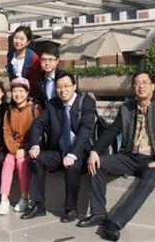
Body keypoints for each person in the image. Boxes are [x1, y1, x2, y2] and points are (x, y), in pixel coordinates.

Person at [82, 72, 155, 241]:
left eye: (145, 82)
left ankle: (115, 223)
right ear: (133, 87)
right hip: (129, 157)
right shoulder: (126, 108)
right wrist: (94, 151)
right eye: (137, 83)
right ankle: (98, 213)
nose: (141, 86)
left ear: (153, 86)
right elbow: (112, 131)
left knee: (149, 179)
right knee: (97, 163)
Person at [22, 72, 96, 223]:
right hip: (59, 151)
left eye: (66, 86)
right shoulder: (53, 104)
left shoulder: (86, 102)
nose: (63, 90)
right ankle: (38, 205)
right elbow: (37, 124)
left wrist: (73, 154)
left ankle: (70, 209)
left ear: (74, 86)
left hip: (80, 151)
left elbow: (86, 131)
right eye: (59, 87)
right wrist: (35, 145)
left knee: (73, 167)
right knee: (37, 159)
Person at [0, 77, 42, 215]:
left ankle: (24, 198)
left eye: (21, 91)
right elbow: (7, 132)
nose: (18, 94)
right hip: (14, 148)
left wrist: (26, 149)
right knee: (8, 162)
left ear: (27, 93)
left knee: (21, 162)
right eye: (15, 91)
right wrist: (15, 150)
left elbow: (39, 132)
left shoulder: (35, 109)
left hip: (30, 147)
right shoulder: (9, 111)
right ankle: (4, 199)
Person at [32, 44, 68, 110]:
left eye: (50, 59)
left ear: (57, 61)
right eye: (44, 59)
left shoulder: (65, 77)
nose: (47, 63)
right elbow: (38, 101)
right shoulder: (38, 80)